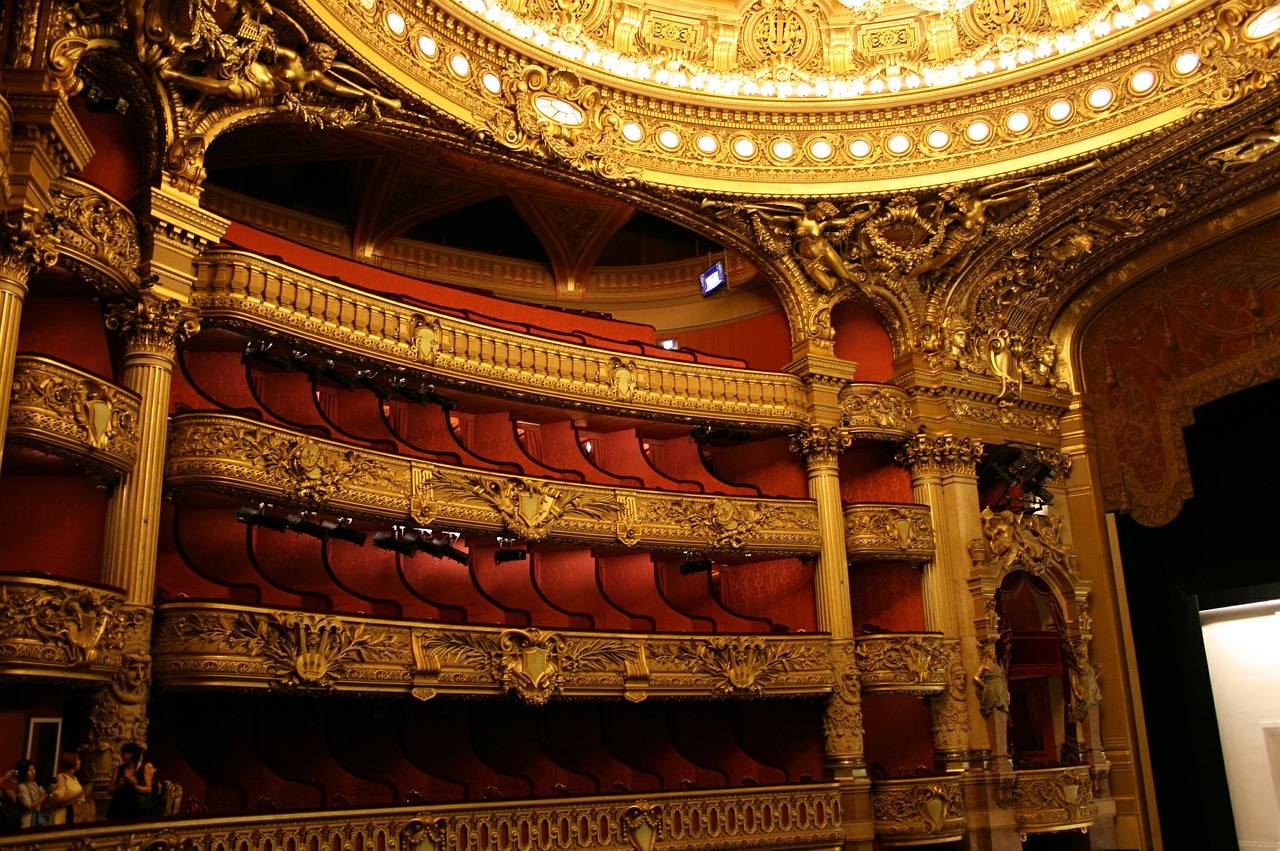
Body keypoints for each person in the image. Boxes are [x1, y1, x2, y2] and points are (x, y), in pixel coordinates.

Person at [106, 744, 159, 819]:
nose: (121, 755)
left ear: (131, 754)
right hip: (121, 801)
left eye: (124, 753)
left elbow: (148, 789)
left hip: (137, 802)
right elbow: (109, 792)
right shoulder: (118, 769)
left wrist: (136, 785)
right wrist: (119, 785)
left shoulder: (144, 767)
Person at [45, 752, 87, 826]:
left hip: (72, 815)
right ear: (71, 762)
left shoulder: (75, 779)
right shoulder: (61, 778)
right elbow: (56, 799)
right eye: (78, 760)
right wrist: (77, 795)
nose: (80, 762)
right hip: (62, 816)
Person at [11, 759, 47, 828]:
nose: (33, 772)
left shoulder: (34, 784)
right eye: (29, 770)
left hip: (35, 821)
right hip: (26, 823)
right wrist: (46, 794)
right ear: (23, 772)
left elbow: (46, 795)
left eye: (34, 769)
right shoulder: (21, 787)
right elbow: (29, 806)